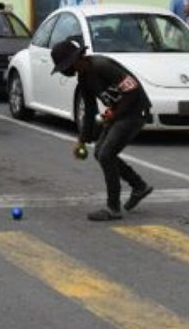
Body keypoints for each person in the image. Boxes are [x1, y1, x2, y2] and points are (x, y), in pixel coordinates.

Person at [52, 36, 155, 222]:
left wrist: (114, 114)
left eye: (67, 65)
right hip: (119, 113)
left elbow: (132, 90)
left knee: (107, 154)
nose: (67, 71)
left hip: (135, 111)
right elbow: (89, 110)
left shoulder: (102, 66)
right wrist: (81, 140)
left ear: (77, 59)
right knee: (99, 153)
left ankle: (113, 208)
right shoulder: (83, 78)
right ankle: (139, 186)